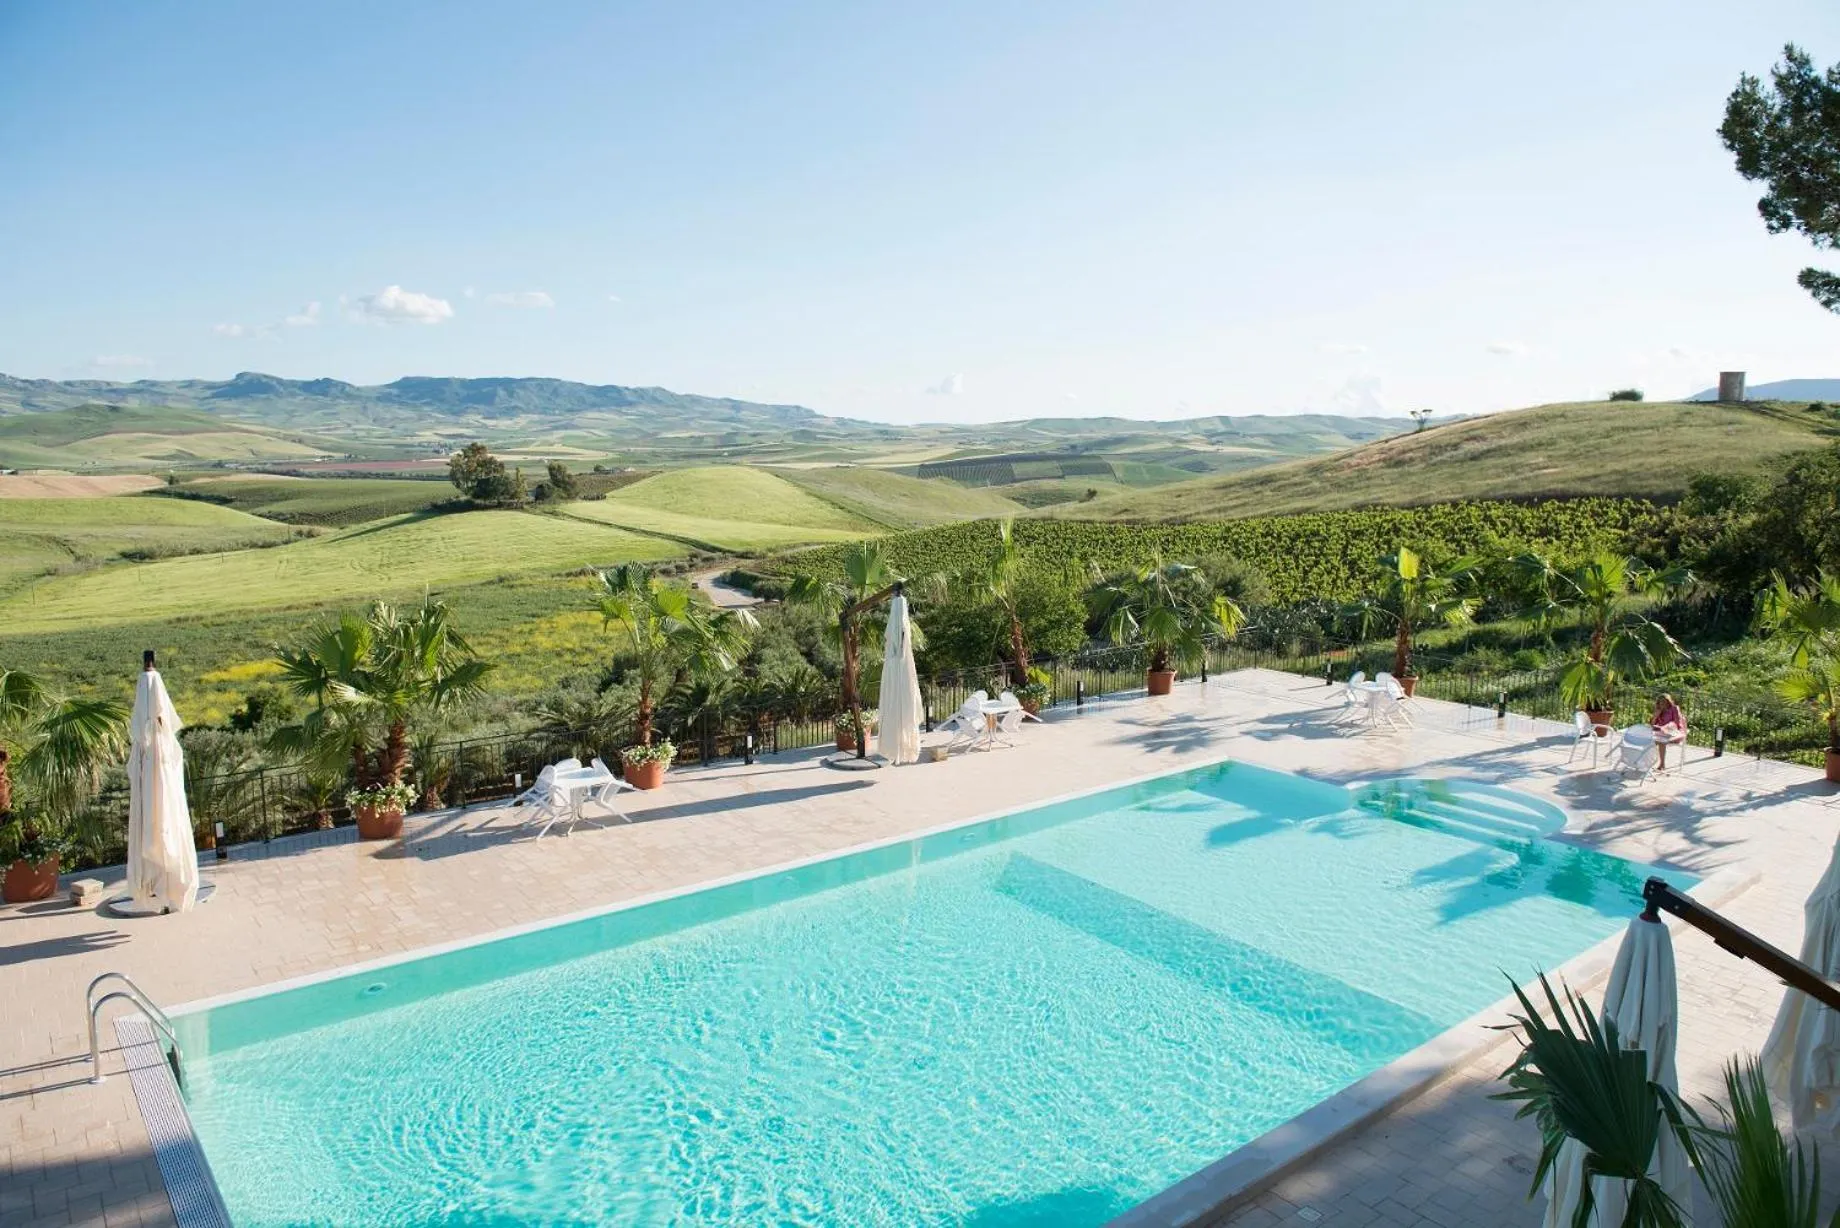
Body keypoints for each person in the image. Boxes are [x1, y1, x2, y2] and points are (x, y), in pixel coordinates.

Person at [1651, 693, 1686, 770]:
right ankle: (1647, 762)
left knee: (1661, 742)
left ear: (1668, 701)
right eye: (1660, 702)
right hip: (1661, 733)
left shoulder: (1674, 708)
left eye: (1664, 701)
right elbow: (1652, 724)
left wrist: (1667, 727)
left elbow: (1676, 724)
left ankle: (1662, 764)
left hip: (1674, 733)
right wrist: (1656, 715)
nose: (1662, 703)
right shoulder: (1659, 710)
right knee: (1649, 741)